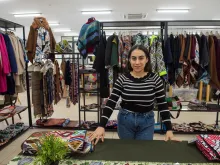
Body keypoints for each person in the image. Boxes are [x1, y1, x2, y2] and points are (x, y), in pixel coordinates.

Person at [90, 45, 178, 144]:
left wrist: (169, 129)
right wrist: (101, 125)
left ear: (147, 59)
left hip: (147, 122)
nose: (137, 62)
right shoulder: (122, 79)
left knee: (143, 153)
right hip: (125, 121)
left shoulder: (155, 79)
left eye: (141, 58)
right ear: (129, 60)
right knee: (127, 152)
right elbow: (111, 102)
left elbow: (162, 105)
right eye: (134, 58)